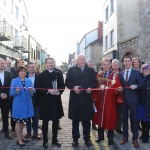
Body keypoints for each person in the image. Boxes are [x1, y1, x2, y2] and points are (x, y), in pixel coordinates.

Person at [65, 54, 97, 147]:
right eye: (80, 59)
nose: (82, 61)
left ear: (85, 60)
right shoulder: (71, 70)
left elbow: (94, 82)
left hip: (86, 99)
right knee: (75, 121)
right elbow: (67, 82)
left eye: (83, 59)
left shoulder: (91, 70)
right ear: (77, 61)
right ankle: (75, 139)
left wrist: (90, 87)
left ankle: (87, 139)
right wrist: (73, 87)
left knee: (86, 121)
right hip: (75, 99)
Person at [93, 58, 122, 145]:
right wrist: (94, 99)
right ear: (102, 65)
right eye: (104, 64)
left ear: (110, 65)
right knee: (100, 119)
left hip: (110, 102)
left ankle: (110, 139)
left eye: (107, 64)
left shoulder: (115, 75)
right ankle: (100, 137)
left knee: (110, 119)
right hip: (100, 101)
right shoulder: (99, 75)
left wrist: (119, 90)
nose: (106, 66)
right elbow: (95, 87)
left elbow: (117, 87)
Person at [36, 58, 65, 148]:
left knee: (56, 121)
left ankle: (54, 140)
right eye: (49, 63)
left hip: (56, 101)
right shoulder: (41, 75)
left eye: (52, 63)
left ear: (54, 63)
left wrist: (58, 92)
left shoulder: (58, 74)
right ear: (45, 64)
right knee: (45, 122)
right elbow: (38, 88)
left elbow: (62, 86)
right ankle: (45, 141)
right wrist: (48, 91)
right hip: (45, 101)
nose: (51, 64)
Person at [118, 56, 143, 149]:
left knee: (134, 120)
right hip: (123, 101)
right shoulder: (120, 74)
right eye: (125, 61)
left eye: (129, 61)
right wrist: (119, 90)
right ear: (123, 63)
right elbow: (118, 86)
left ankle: (135, 139)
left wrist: (136, 86)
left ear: (130, 63)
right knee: (124, 120)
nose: (127, 63)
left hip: (133, 101)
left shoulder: (136, 73)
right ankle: (125, 137)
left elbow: (141, 84)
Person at [9, 66, 34, 147]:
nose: (23, 73)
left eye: (24, 71)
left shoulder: (28, 80)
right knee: (18, 122)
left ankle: (21, 137)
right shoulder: (14, 81)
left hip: (27, 105)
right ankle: (19, 140)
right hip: (18, 105)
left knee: (22, 122)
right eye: (21, 71)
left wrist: (31, 91)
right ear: (18, 72)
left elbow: (33, 92)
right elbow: (11, 93)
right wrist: (16, 91)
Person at [24, 62, 40, 140]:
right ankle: (28, 132)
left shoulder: (39, 77)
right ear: (27, 69)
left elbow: (41, 88)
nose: (32, 68)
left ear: (35, 68)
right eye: (30, 67)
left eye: (33, 67)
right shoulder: (24, 77)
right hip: (27, 99)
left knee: (35, 117)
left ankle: (35, 132)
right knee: (27, 116)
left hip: (36, 99)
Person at [0, 58, 12, 139]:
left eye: (3, 63)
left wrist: (6, 94)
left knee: (5, 115)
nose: (3, 65)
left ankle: (6, 131)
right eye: (1, 63)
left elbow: (11, 86)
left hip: (6, 97)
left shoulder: (8, 74)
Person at [138, 64, 150, 143]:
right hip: (141, 102)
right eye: (145, 69)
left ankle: (146, 135)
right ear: (142, 70)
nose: (147, 70)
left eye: (148, 69)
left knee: (147, 120)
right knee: (142, 119)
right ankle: (143, 133)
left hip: (148, 102)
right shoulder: (140, 77)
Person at [5, 59, 17, 132]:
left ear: (11, 64)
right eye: (7, 63)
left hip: (12, 95)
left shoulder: (14, 71)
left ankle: (13, 126)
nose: (8, 64)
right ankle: (5, 127)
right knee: (5, 112)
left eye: (9, 63)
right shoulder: (2, 71)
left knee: (13, 112)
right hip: (5, 95)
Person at [112, 59, 123, 134]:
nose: (115, 65)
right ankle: (111, 127)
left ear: (119, 65)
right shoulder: (109, 73)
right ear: (111, 65)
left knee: (119, 113)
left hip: (120, 96)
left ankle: (118, 128)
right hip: (111, 96)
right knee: (111, 113)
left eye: (117, 63)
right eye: (114, 64)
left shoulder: (122, 73)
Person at [87, 60, 98, 131]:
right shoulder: (84, 73)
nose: (90, 66)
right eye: (89, 65)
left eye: (91, 65)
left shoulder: (96, 73)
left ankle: (94, 124)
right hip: (86, 94)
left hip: (94, 94)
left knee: (94, 110)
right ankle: (87, 123)